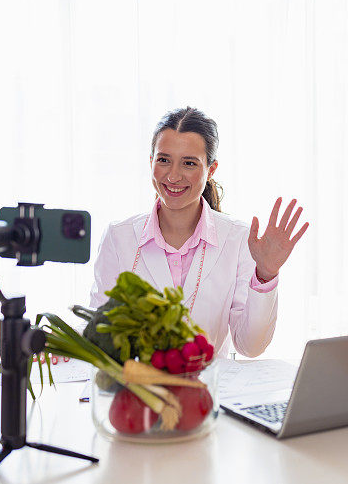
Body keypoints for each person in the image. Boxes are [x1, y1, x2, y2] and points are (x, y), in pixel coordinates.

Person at [89, 107, 308, 358]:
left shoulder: (238, 239)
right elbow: (99, 333)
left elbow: (250, 346)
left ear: (211, 169)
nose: (173, 175)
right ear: (151, 162)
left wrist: (266, 274)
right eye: (163, 160)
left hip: (210, 392)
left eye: (189, 163)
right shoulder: (119, 237)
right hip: (139, 389)